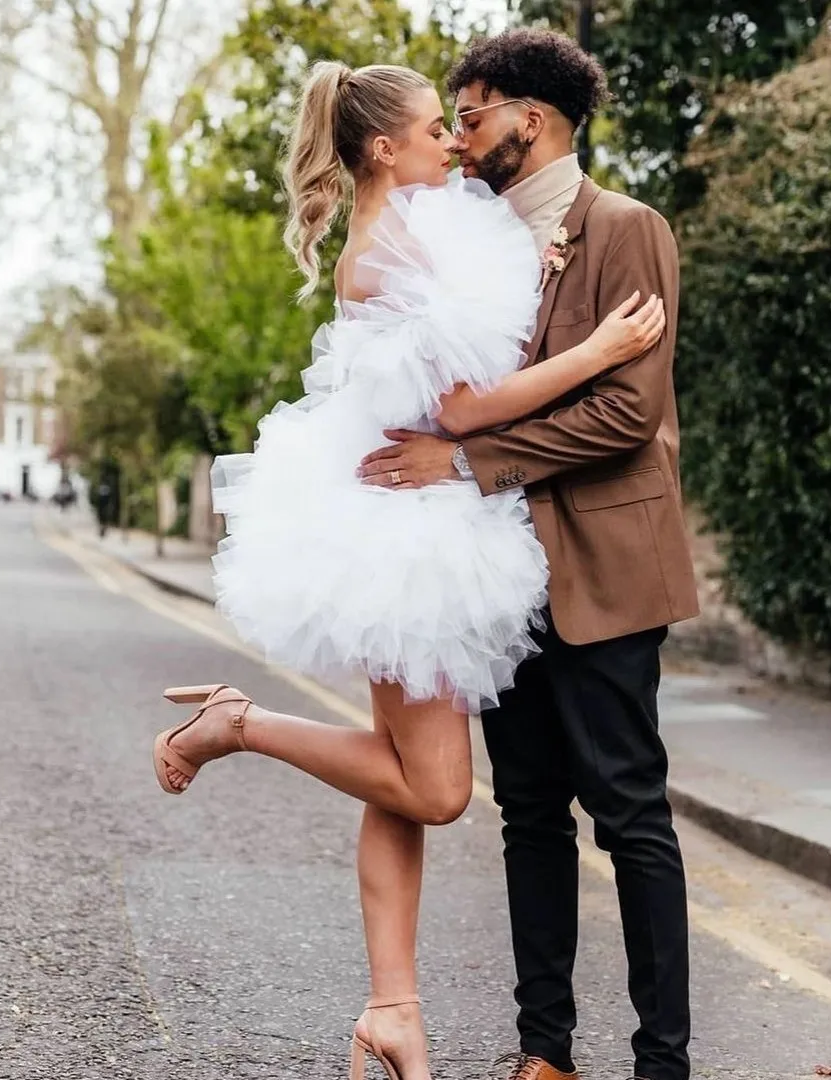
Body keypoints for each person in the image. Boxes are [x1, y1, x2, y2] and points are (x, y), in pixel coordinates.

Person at [152, 59, 664, 1080]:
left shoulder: (404, 230)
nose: (451, 141)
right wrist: (600, 350)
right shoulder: (394, 247)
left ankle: (393, 1013)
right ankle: (238, 722)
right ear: (385, 147)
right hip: (412, 540)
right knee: (433, 790)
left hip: (412, 521)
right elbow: (472, 406)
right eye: (435, 127)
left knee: (396, 777)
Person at [358, 29, 700, 1080]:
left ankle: (662, 1061)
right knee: (529, 816)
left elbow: (627, 416)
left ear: (531, 120)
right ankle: (543, 1052)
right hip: (499, 577)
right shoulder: (466, 239)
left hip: (605, 565)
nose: (459, 144)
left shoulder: (628, 228)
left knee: (630, 814)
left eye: (471, 117)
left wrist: (464, 463)